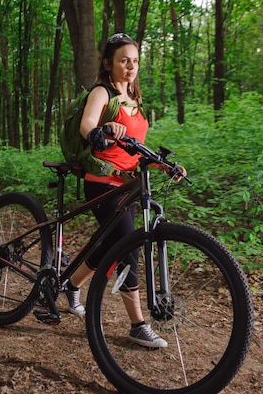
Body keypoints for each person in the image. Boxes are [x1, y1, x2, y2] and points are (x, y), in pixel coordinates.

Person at [64, 33, 169, 349]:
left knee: (109, 245)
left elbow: (135, 147)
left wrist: (161, 164)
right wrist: (104, 131)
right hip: (101, 183)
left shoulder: (135, 99)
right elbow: (88, 125)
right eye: (124, 60)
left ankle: (70, 285)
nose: (131, 66)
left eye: (135, 61)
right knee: (127, 246)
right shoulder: (101, 92)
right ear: (109, 64)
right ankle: (138, 324)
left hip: (128, 184)